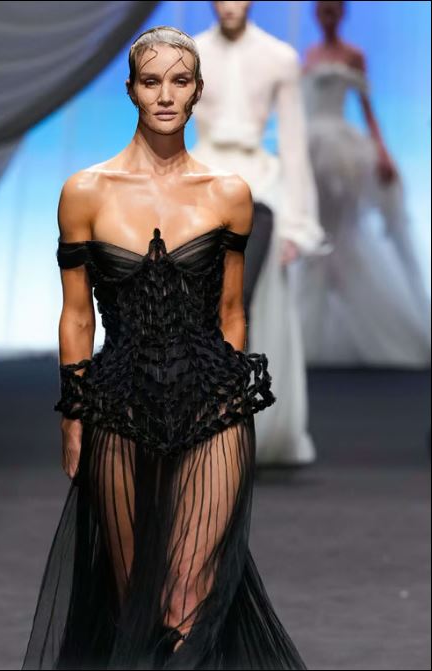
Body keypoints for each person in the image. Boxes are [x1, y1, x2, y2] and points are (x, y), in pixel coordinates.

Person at [21, 25, 308, 671]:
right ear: (130, 90)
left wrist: (234, 406)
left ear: (198, 90)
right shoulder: (85, 192)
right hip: (118, 405)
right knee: (136, 604)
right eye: (151, 81)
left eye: (180, 81)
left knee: (186, 604)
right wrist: (72, 418)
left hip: (211, 405)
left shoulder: (228, 193)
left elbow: (231, 311)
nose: (166, 95)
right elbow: (76, 316)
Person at [191, 1, 328, 466]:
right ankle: (196, 425)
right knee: (197, 301)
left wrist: (299, 224)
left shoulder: (279, 57)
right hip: (200, 184)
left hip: (259, 187)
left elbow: (293, 142)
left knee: (239, 300)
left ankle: (228, 426)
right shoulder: (189, 53)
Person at [292, 0, 430, 366]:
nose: (328, 14)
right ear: (316, 13)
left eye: (333, 8)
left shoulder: (354, 55)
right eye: (323, 9)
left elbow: (369, 111)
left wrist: (383, 152)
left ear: (343, 13)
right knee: (317, 239)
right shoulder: (309, 54)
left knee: (339, 236)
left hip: (339, 154)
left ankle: (375, 335)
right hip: (311, 151)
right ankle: (313, 337)